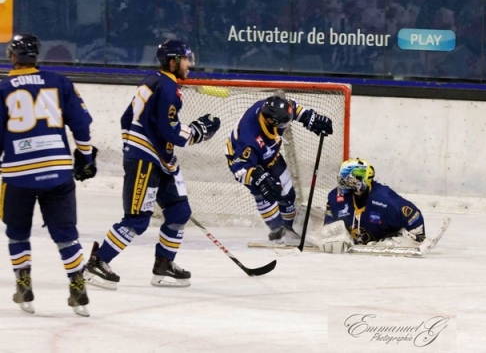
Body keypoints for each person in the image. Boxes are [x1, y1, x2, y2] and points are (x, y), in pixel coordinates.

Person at [84, 39, 221, 289]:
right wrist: (197, 132)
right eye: (185, 59)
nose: (189, 64)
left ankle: (163, 265)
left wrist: (132, 144)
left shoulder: (154, 81)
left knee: (179, 212)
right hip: (146, 161)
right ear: (173, 62)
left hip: (159, 160)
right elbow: (169, 131)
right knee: (137, 219)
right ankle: (97, 261)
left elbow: (127, 118)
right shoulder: (167, 87)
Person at [0, 33, 95, 316]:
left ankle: (24, 285)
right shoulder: (59, 82)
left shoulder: (3, 88)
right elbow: (81, 124)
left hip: (18, 175)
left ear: (13, 57)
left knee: (17, 233)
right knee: (66, 234)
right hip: (58, 171)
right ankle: (78, 287)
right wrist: (86, 157)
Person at [225, 95, 333, 244]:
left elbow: (292, 108)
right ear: (271, 121)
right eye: (284, 123)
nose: (286, 125)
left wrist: (309, 118)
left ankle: (291, 228)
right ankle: (277, 230)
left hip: (270, 155)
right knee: (265, 193)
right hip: (245, 162)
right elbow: (239, 169)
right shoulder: (248, 137)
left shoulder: (273, 109)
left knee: (287, 194)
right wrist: (259, 177)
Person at [312, 158, 427, 253]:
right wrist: (330, 231)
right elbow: (330, 219)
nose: (344, 181)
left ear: (364, 179)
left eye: (349, 178)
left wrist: (416, 238)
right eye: (343, 177)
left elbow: (412, 214)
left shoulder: (385, 199)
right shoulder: (335, 197)